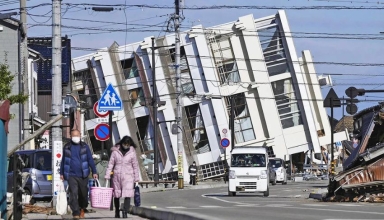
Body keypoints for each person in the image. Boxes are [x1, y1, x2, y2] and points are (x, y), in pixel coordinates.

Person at [60, 129, 98, 219]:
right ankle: (75, 212)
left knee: (83, 194)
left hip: (83, 174)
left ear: (80, 135)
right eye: (74, 135)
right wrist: (61, 173)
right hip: (71, 175)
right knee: (73, 193)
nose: (75, 137)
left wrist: (94, 171)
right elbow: (63, 161)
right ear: (70, 136)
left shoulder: (85, 146)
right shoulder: (67, 147)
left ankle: (82, 208)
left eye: (77, 135)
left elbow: (90, 159)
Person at [105, 136, 140, 219]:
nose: (126, 145)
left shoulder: (132, 152)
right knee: (116, 195)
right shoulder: (115, 152)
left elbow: (135, 165)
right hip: (117, 176)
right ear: (121, 143)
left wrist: (136, 178)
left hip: (128, 176)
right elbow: (111, 164)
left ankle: (125, 211)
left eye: (128, 144)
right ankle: (117, 211)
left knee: (128, 194)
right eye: (125, 144)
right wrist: (107, 175)